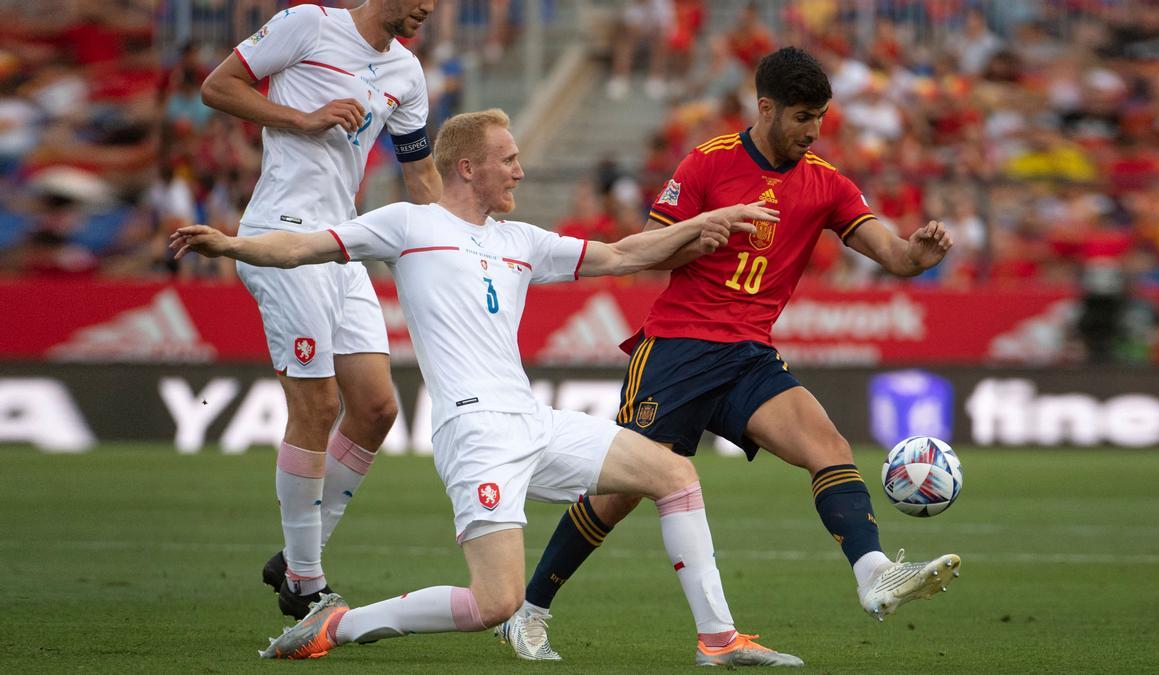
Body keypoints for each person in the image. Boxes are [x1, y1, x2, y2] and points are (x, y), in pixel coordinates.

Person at [171, 109, 802, 667]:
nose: (521, 172)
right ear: (468, 168)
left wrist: (708, 221)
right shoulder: (408, 226)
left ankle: (718, 640)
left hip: (531, 418)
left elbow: (623, 255)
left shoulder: (521, 241)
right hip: (473, 431)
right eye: (510, 160)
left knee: (675, 475)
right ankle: (337, 625)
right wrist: (233, 244)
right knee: (496, 602)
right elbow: (304, 246)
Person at [499, 47, 962, 661]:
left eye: (820, 116)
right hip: (677, 351)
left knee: (829, 448)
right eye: (801, 116)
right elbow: (643, 250)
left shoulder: (826, 183)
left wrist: (918, 256)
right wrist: (699, 233)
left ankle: (874, 574)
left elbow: (895, 255)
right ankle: (528, 611)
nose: (812, 130)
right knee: (620, 493)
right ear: (765, 107)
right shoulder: (706, 165)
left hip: (749, 355)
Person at [199, 1, 443, 619]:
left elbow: (420, 175)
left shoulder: (407, 73)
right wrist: (300, 118)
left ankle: (295, 554)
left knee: (378, 407)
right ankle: (306, 584)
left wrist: (457, 250)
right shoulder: (308, 24)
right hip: (281, 234)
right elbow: (217, 86)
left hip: (343, 242)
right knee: (317, 403)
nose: (429, 8)